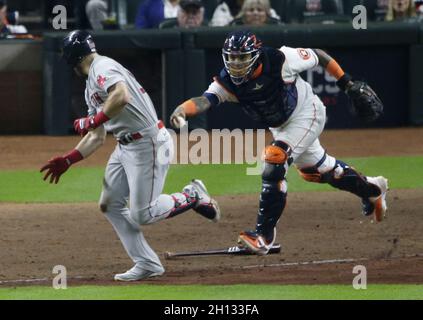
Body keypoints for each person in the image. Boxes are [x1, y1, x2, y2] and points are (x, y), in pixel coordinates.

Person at [170, 30, 388, 255]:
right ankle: (372, 189)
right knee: (318, 171)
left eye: (241, 57)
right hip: (282, 126)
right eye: (231, 57)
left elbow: (319, 55)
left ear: (255, 55)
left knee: (275, 158)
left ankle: (263, 236)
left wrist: (346, 83)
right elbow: (205, 100)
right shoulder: (228, 81)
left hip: (307, 113)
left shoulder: (281, 59)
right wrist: (182, 110)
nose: (235, 63)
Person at [40, 30, 221, 281]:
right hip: (125, 146)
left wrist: (94, 118)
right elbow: (97, 136)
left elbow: (121, 96)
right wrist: (70, 158)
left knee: (143, 214)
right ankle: (147, 263)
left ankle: (192, 195)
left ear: (71, 58)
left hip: (148, 143)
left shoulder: (102, 66)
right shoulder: (91, 83)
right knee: (110, 204)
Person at [210, 0, 280, 26]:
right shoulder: (225, 7)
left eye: (259, 10)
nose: (255, 13)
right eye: (251, 10)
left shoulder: (275, 23)